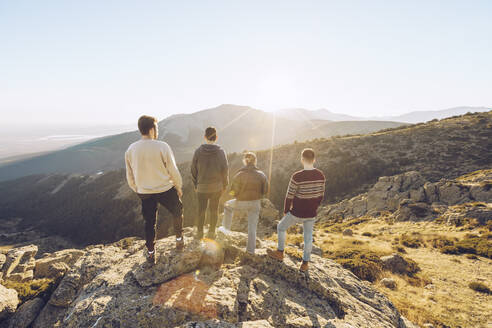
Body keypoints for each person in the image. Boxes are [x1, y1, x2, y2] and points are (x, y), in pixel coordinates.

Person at [125, 115, 184, 265]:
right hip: (164, 188)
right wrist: (178, 186)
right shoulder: (162, 146)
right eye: (156, 128)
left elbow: (129, 175)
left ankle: (151, 253)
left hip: (145, 191)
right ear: (152, 129)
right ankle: (179, 239)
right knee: (177, 210)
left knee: (149, 222)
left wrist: (137, 188)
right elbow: (173, 170)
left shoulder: (131, 149)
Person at [267, 148, 325, 272]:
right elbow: (321, 195)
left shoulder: (297, 176)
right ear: (314, 160)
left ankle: (280, 252)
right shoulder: (320, 175)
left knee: (281, 227)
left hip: (297, 212)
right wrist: (314, 206)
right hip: (311, 212)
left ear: (302, 160)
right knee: (308, 238)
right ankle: (305, 264)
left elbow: (289, 196)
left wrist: (286, 211)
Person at [218, 152, 268, 254]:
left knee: (227, 205)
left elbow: (233, 192)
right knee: (252, 228)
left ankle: (226, 230)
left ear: (245, 161)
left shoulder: (239, 175)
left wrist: (236, 196)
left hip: (241, 202)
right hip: (255, 203)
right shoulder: (262, 175)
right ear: (255, 161)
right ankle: (250, 251)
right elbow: (265, 191)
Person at [191, 127, 229, 239]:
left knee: (201, 210)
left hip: (201, 187)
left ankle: (199, 233)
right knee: (214, 210)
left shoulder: (198, 151)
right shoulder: (221, 152)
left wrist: (195, 184)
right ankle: (212, 233)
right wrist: (225, 185)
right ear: (216, 137)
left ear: (205, 137)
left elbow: (193, 169)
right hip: (216, 187)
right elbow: (225, 169)